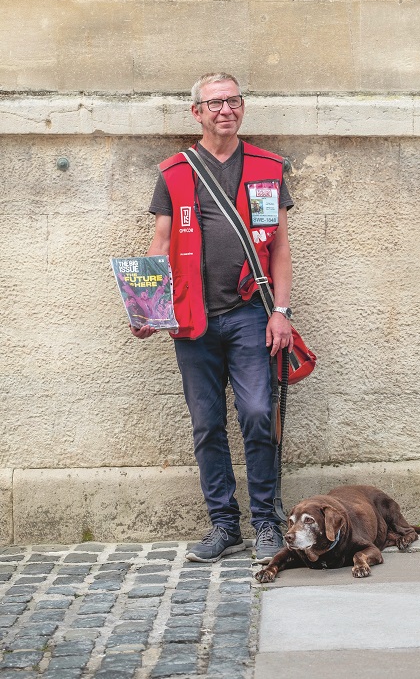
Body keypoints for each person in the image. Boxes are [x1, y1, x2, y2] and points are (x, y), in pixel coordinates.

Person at [131, 72, 294, 564]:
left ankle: (266, 521)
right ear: (196, 112)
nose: (226, 110)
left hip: (250, 315)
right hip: (192, 322)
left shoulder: (268, 166)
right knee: (206, 425)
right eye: (215, 103)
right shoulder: (176, 171)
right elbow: (160, 245)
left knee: (259, 415)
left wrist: (280, 312)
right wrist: (147, 308)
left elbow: (281, 247)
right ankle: (224, 525)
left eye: (234, 101)